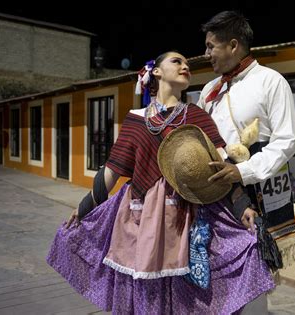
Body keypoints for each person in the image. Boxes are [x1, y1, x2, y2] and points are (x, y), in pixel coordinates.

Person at [46, 51, 275, 314]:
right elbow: (112, 169)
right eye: (177, 62)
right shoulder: (135, 119)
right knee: (145, 290)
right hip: (139, 217)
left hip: (185, 216)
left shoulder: (196, 116)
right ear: (156, 71)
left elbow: (222, 166)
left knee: (187, 293)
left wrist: (242, 206)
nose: (185, 66)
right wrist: (85, 206)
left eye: (187, 63)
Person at [197, 11, 295, 313]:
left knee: (252, 277)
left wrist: (241, 171)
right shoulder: (209, 91)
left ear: (232, 45)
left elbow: (286, 141)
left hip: (257, 194)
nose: (206, 54)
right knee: (216, 273)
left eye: (210, 46)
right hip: (216, 195)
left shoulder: (271, 81)